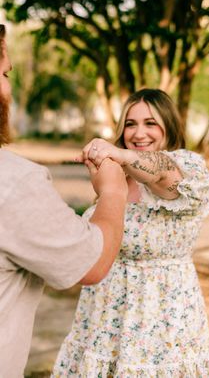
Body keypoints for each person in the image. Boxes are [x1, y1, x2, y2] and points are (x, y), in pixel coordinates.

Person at [52, 88, 209, 377]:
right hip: (104, 319)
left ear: (169, 126)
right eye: (130, 124)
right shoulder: (115, 176)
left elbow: (162, 173)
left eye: (150, 123)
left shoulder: (187, 167)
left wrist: (118, 154)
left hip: (163, 322)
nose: (138, 132)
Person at [0, 25, 128, 378]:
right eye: (5, 73)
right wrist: (113, 191)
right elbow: (92, 263)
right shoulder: (13, 181)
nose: (8, 88)